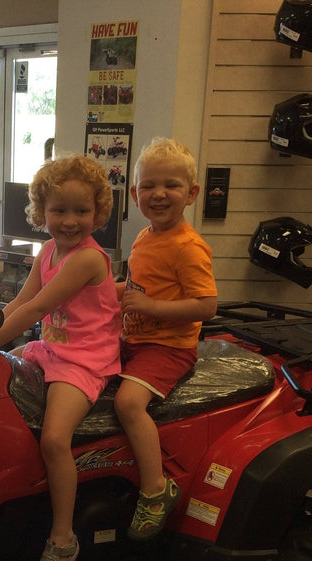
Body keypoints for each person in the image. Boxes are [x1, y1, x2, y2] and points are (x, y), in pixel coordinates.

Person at [0, 154, 120, 561]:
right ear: (41, 211)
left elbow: (36, 309)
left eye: (81, 211)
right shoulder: (49, 250)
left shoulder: (87, 259)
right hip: (51, 350)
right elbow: (17, 303)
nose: (69, 221)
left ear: (98, 213)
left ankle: (62, 540)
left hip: (84, 360)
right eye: (59, 210)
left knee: (53, 438)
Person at [115, 138, 218, 540]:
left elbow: (207, 305)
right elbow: (135, 289)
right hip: (134, 339)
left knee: (127, 403)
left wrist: (151, 307)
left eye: (171, 185)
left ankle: (156, 489)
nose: (159, 194)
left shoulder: (188, 247)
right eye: (149, 186)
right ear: (135, 193)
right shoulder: (144, 237)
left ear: (191, 194)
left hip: (169, 348)